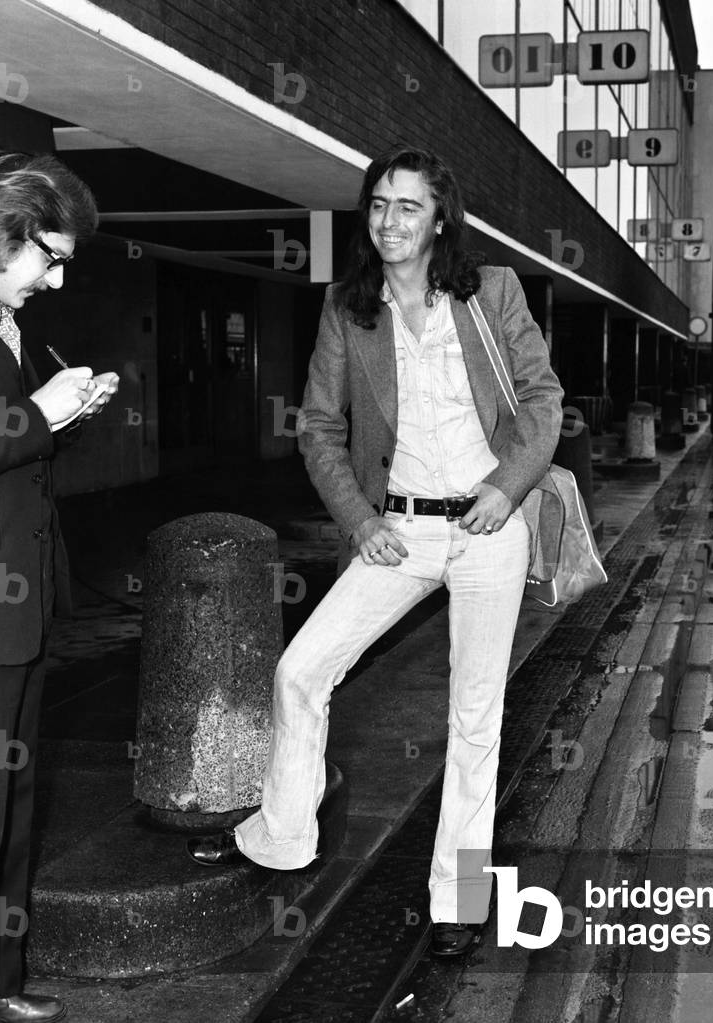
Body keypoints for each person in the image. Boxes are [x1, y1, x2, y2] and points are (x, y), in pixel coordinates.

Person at [188, 146, 563, 956]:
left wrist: (507, 487)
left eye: (407, 206)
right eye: (379, 205)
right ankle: (283, 832)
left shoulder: (488, 290)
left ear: (438, 218)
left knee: (474, 719)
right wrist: (358, 520)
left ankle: (459, 899)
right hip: (397, 528)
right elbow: (318, 426)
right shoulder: (346, 307)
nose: (390, 221)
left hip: (487, 527)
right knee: (301, 667)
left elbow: (542, 398)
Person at [0, 153, 118, 1022]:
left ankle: (1, 985)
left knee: (14, 806)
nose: (59, 279)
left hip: (16, 606)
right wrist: (42, 415)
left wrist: (56, 414)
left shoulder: (3, 319)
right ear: (3, 229)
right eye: (50, 255)